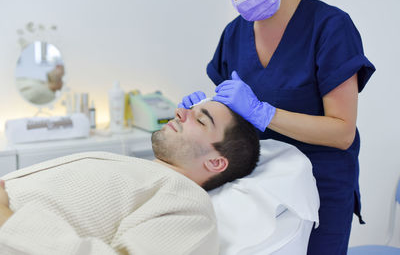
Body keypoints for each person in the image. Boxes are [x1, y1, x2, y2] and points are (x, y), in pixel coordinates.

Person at [179, 0, 376, 254]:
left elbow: (342, 132)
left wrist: (264, 113)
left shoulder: (330, 27)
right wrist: (202, 110)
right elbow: (233, 117)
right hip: (257, 187)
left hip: (321, 190)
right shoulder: (234, 34)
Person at [0, 100, 260, 255]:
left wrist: (8, 221)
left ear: (215, 161)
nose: (181, 111)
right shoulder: (142, 174)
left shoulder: (190, 205)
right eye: (190, 109)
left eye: (201, 120)